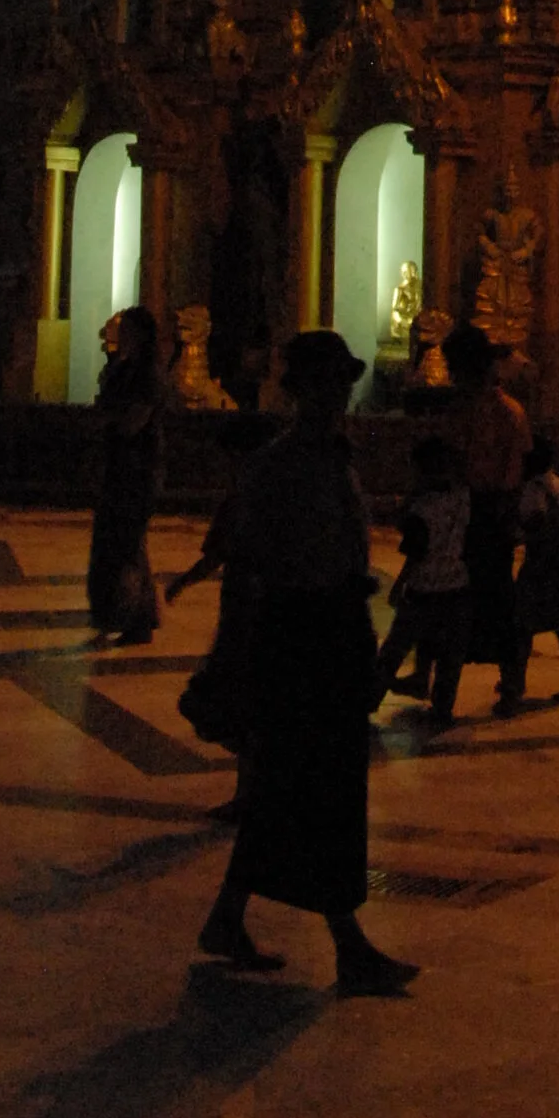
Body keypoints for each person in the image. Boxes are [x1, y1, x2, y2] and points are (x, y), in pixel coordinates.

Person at [184, 329, 417, 993]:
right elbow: (250, 567)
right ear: (298, 389)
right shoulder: (278, 465)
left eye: (341, 384)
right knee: (315, 787)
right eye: (324, 383)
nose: (337, 395)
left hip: (331, 630)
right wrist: (235, 659)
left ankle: (234, 917)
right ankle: (348, 945)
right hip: (298, 636)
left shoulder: (328, 456)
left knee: (300, 790)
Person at [447, 322, 532, 713]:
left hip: (490, 511)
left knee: (496, 600)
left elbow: (511, 472)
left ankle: (512, 682)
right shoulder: (473, 409)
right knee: (465, 600)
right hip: (470, 509)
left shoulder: (503, 413)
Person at [371, 429, 473, 727]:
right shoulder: (463, 497)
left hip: (425, 589)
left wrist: (400, 583)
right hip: (457, 586)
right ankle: (442, 709)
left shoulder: (421, 509)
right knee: (449, 657)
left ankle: (371, 696)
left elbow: (416, 551)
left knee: (395, 647)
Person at [86, 304, 163, 647]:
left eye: (127, 329)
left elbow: (135, 421)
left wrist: (111, 420)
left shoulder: (147, 375)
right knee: (119, 543)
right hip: (118, 465)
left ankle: (130, 616)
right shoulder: (120, 369)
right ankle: (136, 616)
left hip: (138, 468)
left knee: (127, 543)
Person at [515, 433, 559, 704]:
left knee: (523, 625)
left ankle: (518, 681)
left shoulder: (533, 490)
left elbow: (532, 523)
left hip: (539, 565)